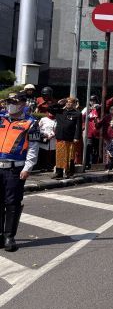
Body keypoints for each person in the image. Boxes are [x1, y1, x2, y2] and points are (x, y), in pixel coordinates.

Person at [0, 92, 39, 252]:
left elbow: (33, 148)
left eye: (14, 102)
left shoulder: (30, 123)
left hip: (15, 169)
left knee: (12, 202)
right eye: (8, 102)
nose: (10, 105)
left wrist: (28, 167)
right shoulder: (1, 118)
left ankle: (9, 236)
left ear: (23, 104)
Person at [50, 97, 82, 179]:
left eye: (70, 102)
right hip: (60, 137)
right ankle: (59, 173)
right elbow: (50, 108)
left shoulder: (77, 113)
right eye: (67, 102)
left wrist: (76, 137)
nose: (68, 103)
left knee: (70, 156)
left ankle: (69, 172)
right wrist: (59, 103)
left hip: (70, 138)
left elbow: (78, 127)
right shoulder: (60, 111)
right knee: (60, 155)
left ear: (74, 104)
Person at [37, 106, 57, 173]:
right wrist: (43, 134)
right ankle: (42, 167)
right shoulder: (43, 119)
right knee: (43, 153)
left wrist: (53, 135)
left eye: (53, 112)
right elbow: (38, 128)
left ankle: (50, 167)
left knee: (51, 153)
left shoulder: (56, 120)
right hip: (44, 138)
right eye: (50, 112)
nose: (51, 113)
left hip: (53, 139)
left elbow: (57, 129)